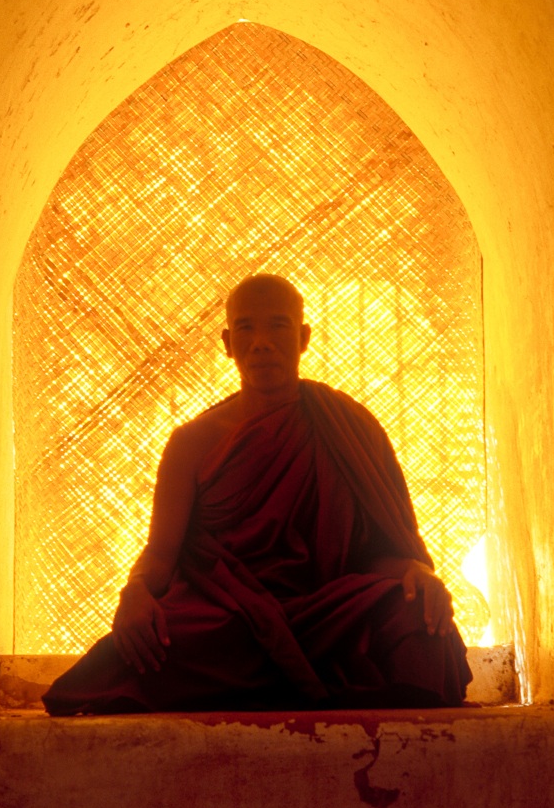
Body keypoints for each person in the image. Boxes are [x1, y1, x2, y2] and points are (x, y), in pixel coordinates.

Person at [43, 274, 471, 714]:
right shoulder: (192, 442)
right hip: (232, 617)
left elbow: (378, 554)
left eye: (279, 326)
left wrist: (419, 572)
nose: (262, 342)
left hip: (329, 610)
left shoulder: (349, 428)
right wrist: (133, 591)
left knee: (421, 623)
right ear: (227, 343)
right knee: (151, 644)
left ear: (304, 338)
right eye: (246, 328)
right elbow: (161, 553)